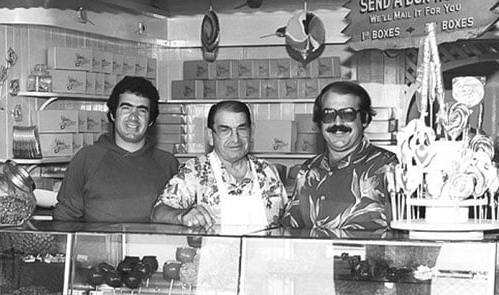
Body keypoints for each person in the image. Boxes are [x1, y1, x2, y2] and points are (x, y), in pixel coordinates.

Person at [52, 75, 178, 222]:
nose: (133, 117)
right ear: (112, 114)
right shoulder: (87, 159)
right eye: (126, 108)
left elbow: (179, 217)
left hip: (153, 245)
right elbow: (64, 219)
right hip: (97, 245)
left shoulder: (168, 164)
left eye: (142, 110)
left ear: (150, 121)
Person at [152, 100, 287, 230]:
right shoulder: (195, 171)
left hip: (263, 252)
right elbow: (158, 212)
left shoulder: (268, 171)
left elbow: (287, 223)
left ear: (251, 132)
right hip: (213, 253)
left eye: (242, 129)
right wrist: (181, 216)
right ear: (210, 135)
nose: (235, 139)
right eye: (225, 130)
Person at [283, 80, 397, 231]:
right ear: (319, 122)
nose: (337, 122)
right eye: (328, 114)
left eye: (347, 114)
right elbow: (291, 229)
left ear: (364, 119)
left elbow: (403, 234)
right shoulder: (309, 170)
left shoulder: (387, 167)